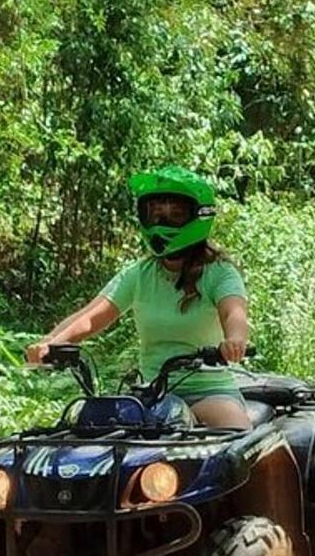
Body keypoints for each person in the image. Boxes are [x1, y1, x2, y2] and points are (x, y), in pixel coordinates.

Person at [25, 165, 251, 429]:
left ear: (199, 216)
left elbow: (233, 313)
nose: (162, 223)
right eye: (155, 213)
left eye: (175, 215)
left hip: (208, 393)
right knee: (88, 435)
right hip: (151, 396)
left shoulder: (219, 273)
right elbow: (89, 317)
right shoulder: (139, 274)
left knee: (237, 441)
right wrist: (50, 344)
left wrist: (234, 341)